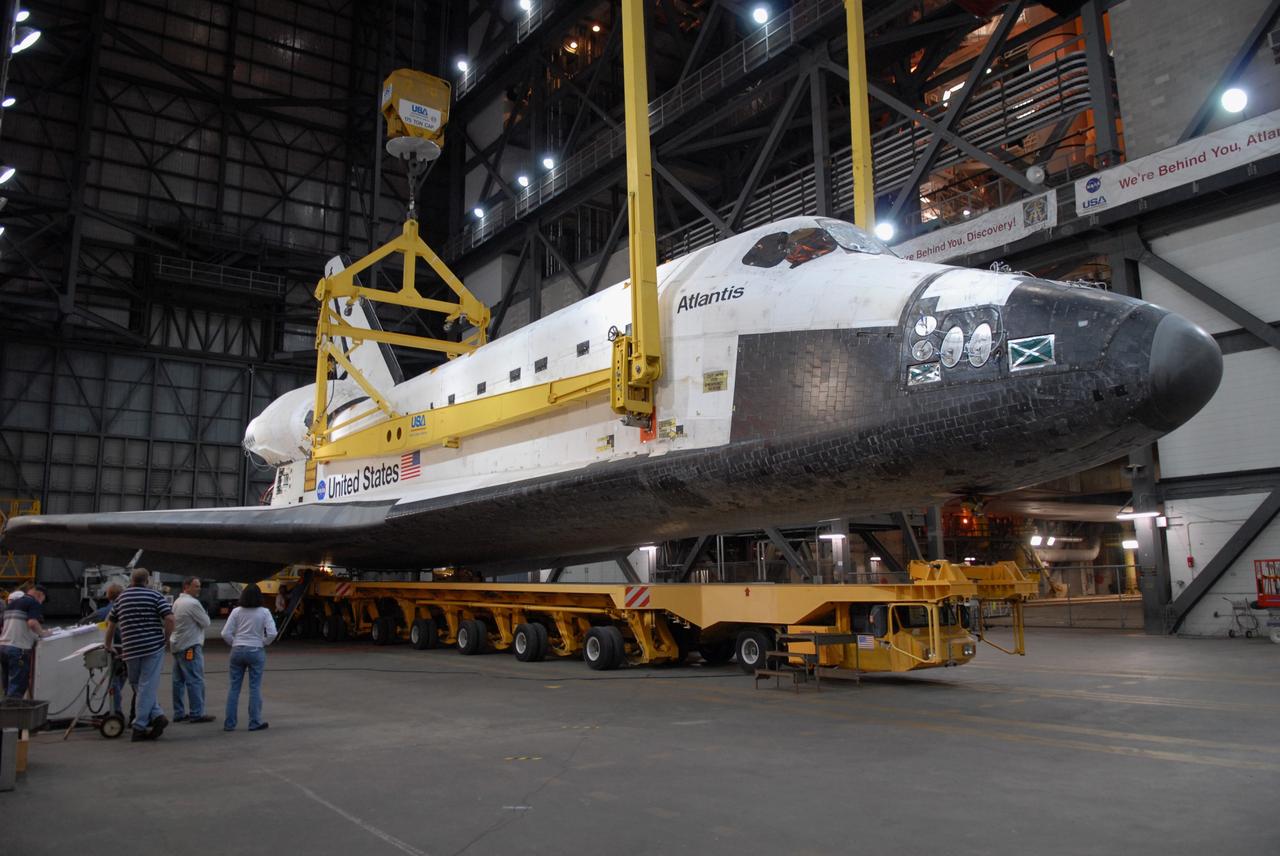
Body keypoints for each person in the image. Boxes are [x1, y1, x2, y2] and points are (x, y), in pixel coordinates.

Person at [105, 568, 174, 742]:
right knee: (147, 685)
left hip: (130, 648)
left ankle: (158, 716)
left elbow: (111, 623)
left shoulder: (121, 598)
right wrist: (166, 638)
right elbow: (170, 618)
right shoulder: (155, 596)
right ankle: (139, 726)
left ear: (131, 580)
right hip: (152, 646)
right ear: (147, 581)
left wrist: (108, 644)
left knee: (137, 683)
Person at [222, 583, 277, 732]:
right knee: (254, 687)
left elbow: (225, 633)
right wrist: (262, 642)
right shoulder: (264, 612)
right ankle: (254, 722)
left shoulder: (236, 611)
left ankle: (229, 723)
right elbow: (272, 633)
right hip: (255, 650)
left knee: (234, 687)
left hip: (237, 650)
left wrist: (235, 643)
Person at [170, 576, 214, 723]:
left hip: (177, 645)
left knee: (178, 681)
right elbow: (206, 622)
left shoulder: (177, 601)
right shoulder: (193, 603)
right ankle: (197, 712)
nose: (199, 588)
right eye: (196, 586)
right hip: (190, 647)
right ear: (186, 587)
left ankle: (179, 712)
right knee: (195, 679)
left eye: (199, 586)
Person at [82, 582, 126, 714]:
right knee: (123, 680)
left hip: (113, 650)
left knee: (114, 682)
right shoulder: (127, 609)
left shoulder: (103, 612)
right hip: (127, 650)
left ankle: (115, 710)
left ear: (108, 596)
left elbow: (83, 623)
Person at [0, 584, 49, 698]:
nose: (41, 603)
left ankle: (5, 711)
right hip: (18, 648)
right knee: (17, 686)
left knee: (7, 685)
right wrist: (43, 633)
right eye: (43, 600)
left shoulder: (11, 604)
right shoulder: (33, 603)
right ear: (40, 595)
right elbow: (32, 622)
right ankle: (13, 713)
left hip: (3, 647)